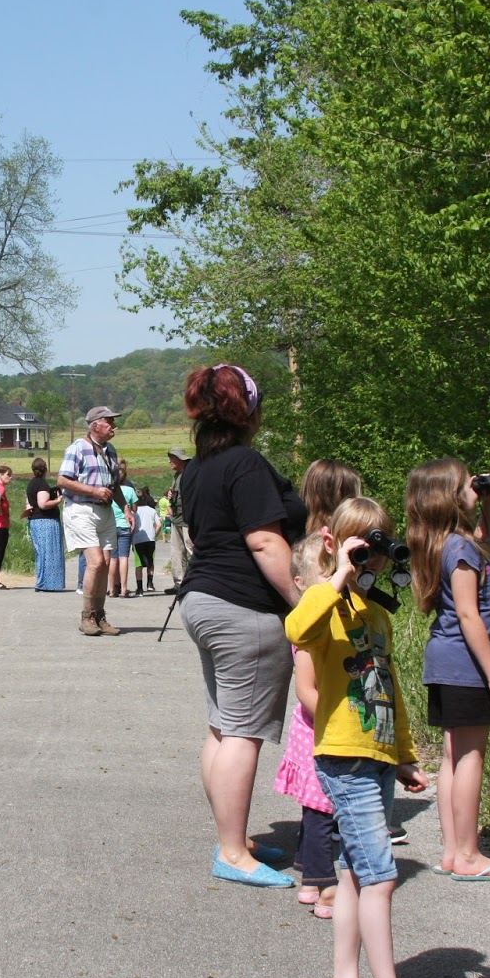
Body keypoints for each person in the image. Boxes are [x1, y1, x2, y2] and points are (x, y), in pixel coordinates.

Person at [286, 497, 428, 978]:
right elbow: (297, 630)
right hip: (344, 756)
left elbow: (390, 686)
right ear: (332, 543)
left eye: (379, 546)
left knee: (352, 871)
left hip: (378, 753)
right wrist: (339, 574)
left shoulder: (377, 614)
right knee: (381, 877)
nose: (373, 556)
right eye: (360, 545)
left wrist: (405, 753)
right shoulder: (324, 605)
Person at [177, 364, 306, 887]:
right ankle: (232, 852)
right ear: (247, 409)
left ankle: (234, 838)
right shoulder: (246, 464)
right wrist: (300, 602)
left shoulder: (196, 468)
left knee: (222, 725)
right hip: (243, 609)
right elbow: (264, 541)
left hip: (203, 599)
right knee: (243, 733)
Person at [404, 458, 490, 882]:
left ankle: (454, 851)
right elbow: (470, 616)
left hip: (445, 662)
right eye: (466, 482)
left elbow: (486, 538)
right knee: (471, 755)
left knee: (454, 756)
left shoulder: (445, 542)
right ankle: (469, 855)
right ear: (448, 497)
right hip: (467, 666)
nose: (475, 484)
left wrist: (487, 503)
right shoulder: (462, 549)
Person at [273, 537, 338, 919]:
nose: (334, 581)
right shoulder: (308, 633)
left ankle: (309, 875)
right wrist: (337, 721)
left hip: (327, 726)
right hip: (318, 729)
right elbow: (305, 690)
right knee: (320, 811)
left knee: (318, 808)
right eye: (325, 574)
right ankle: (323, 881)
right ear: (300, 583)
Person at [56, 405, 125, 636]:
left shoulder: (111, 450)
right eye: (110, 422)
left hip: (105, 511)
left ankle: (99, 615)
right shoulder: (78, 448)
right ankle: (86, 617)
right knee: (95, 562)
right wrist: (93, 491)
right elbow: (63, 481)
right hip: (81, 509)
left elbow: (114, 487)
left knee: (105, 563)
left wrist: (126, 509)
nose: (114, 426)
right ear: (96, 425)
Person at [25, 457, 65, 591]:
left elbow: (29, 503)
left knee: (41, 553)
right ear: (45, 469)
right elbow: (43, 504)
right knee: (48, 552)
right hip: (45, 521)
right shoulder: (41, 484)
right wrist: (58, 500)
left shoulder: (31, 484)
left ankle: (42, 581)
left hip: (35, 520)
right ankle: (48, 583)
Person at [108, 459, 138, 597]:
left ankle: (112, 588)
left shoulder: (111, 491)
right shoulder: (130, 490)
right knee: (124, 557)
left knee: (113, 559)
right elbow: (134, 509)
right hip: (125, 525)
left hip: (112, 525)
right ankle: (124, 588)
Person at [165, 447, 192, 587]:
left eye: (172, 458)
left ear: (180, 459)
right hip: (176, 517)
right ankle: (179, 583)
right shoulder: (176, 476)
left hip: (188, 518)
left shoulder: (190, 474)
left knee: (191, 548)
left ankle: (199, 580)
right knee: (176, 551)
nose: (170, 462)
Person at [131, 488, 158, 595]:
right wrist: (154, 534)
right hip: (150, 539)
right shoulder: (152, 510)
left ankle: (139, 588)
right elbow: (159, 524)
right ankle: (150, 584)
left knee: (139, 564)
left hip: (138, 539)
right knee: (150, 562)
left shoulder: (134, 512)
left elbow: (131, 526)